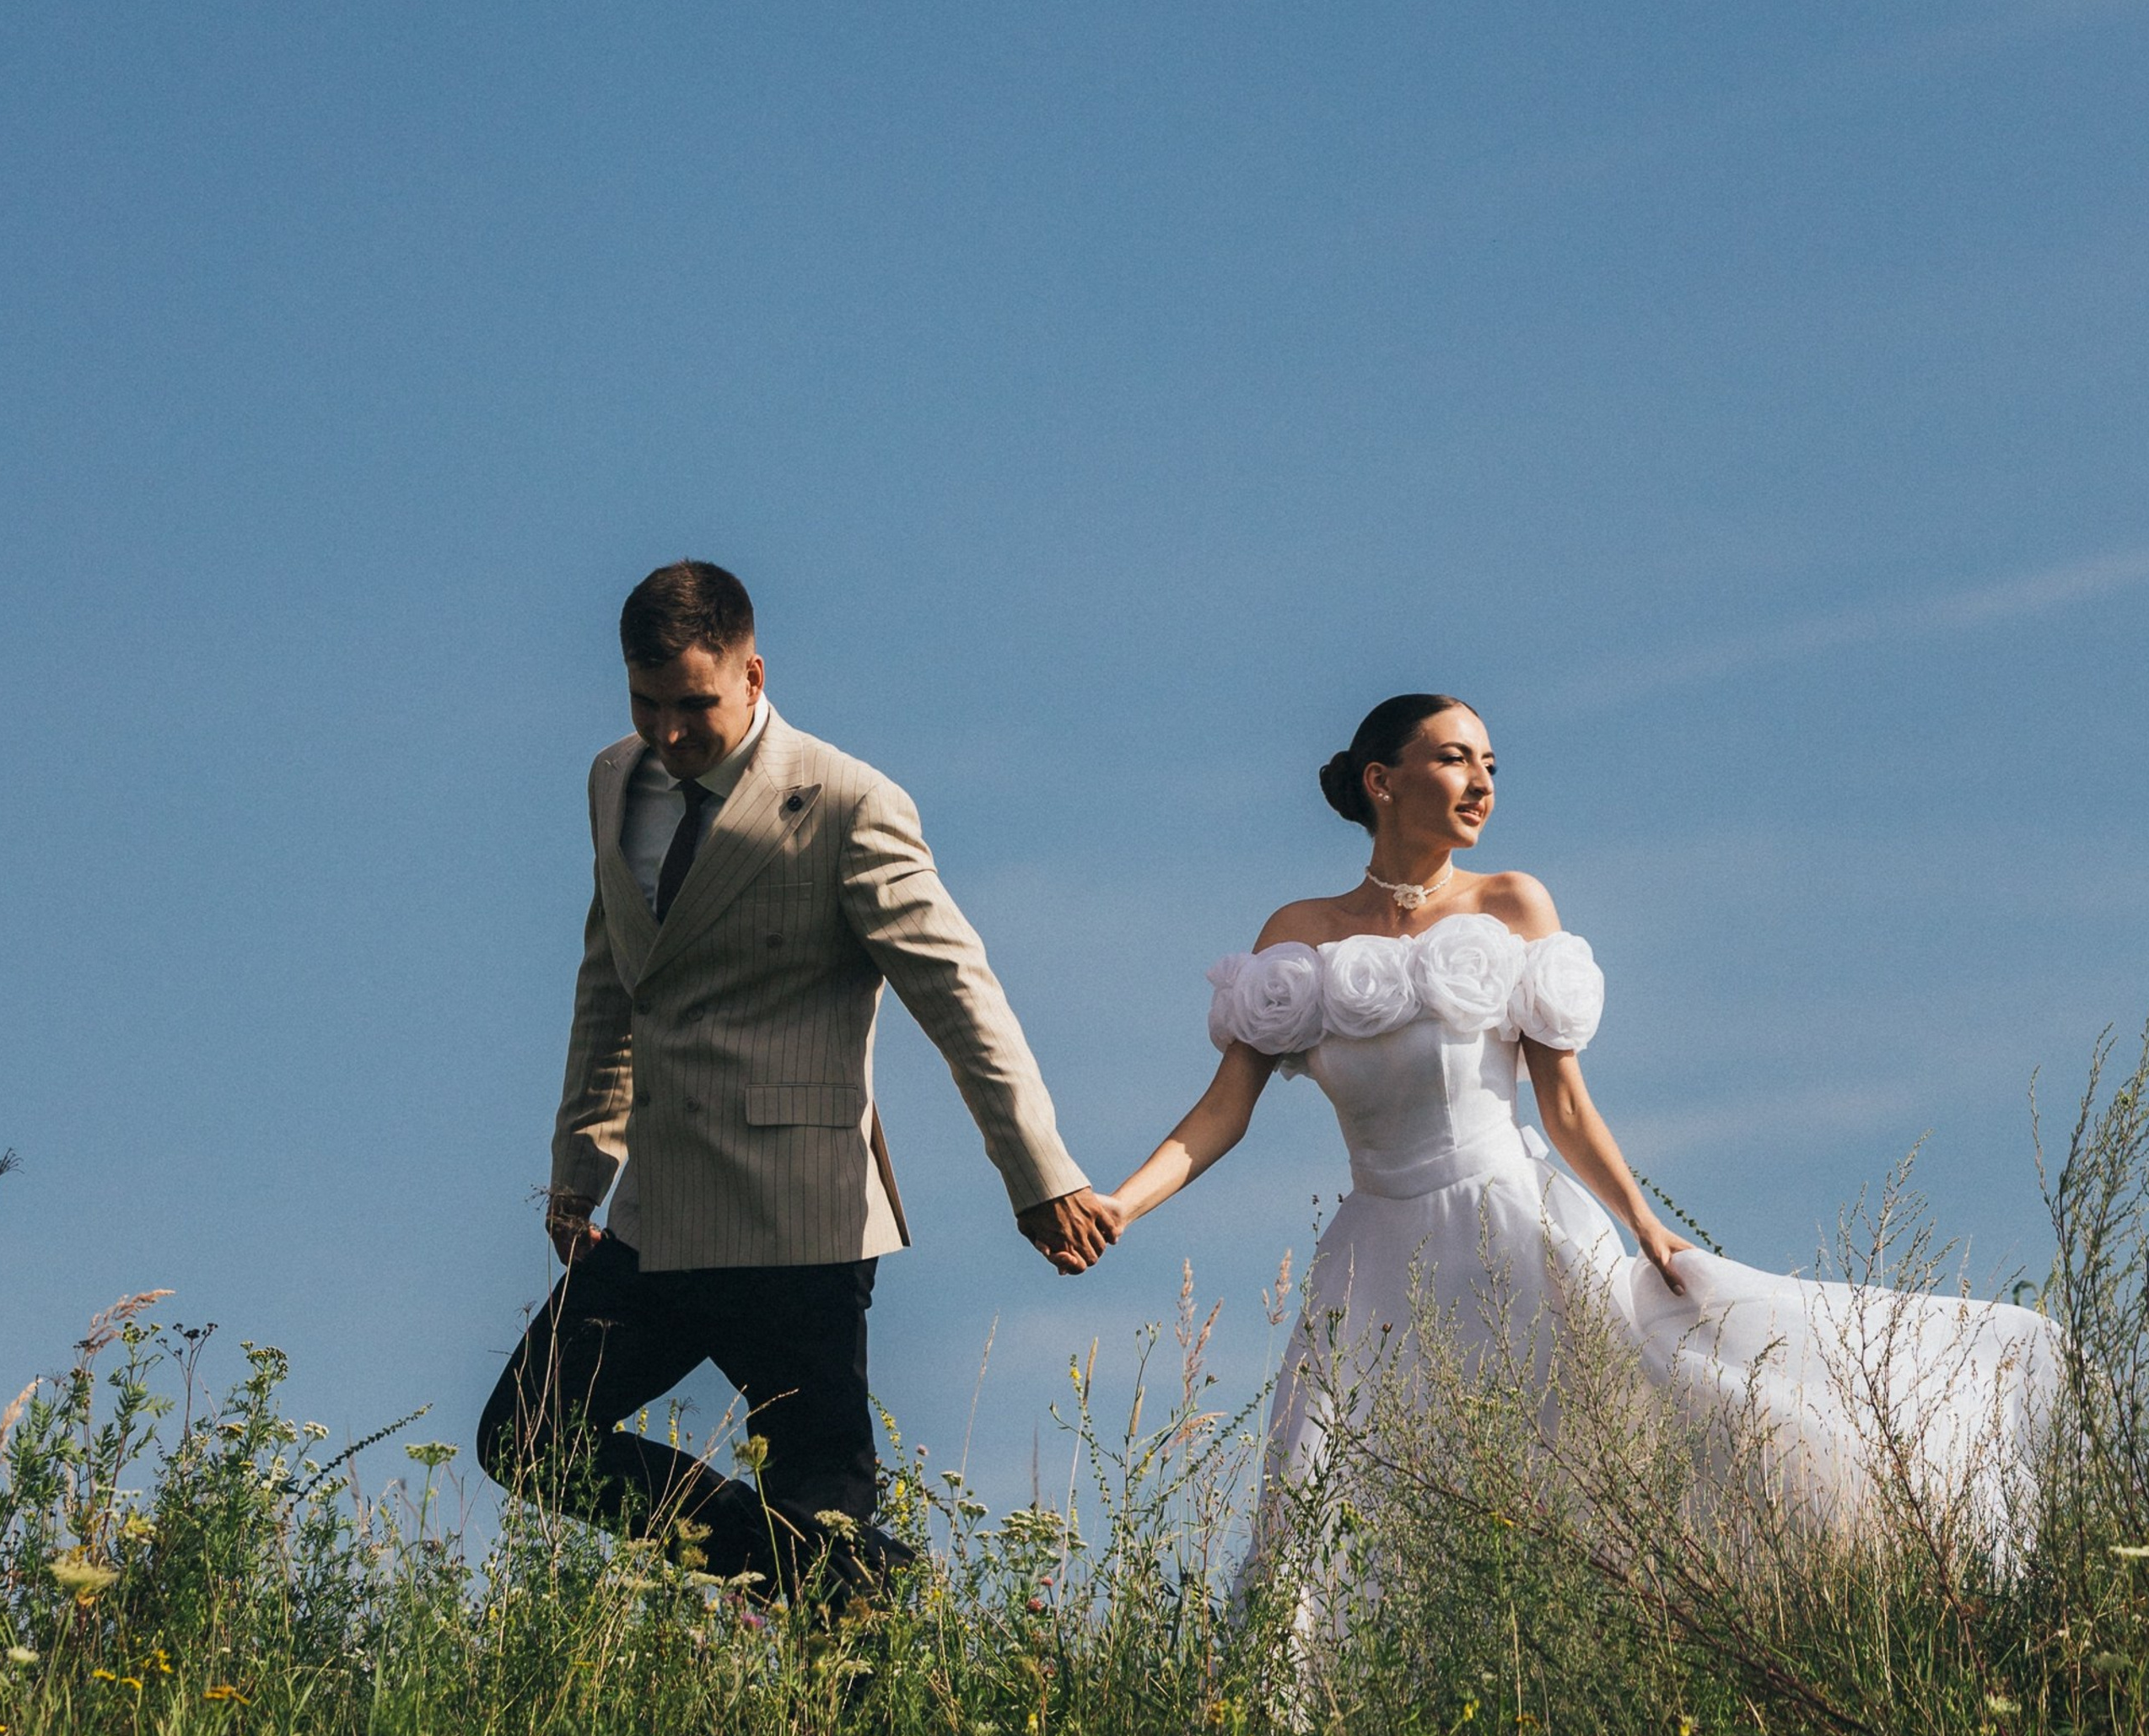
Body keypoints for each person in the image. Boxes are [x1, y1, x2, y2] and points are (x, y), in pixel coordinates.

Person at [1095, 692, 2058, 1613]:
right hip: (1371, 1261)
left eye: (1490, 764)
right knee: (1328, 1479)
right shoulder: (1296, 935)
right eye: (1454, 758)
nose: (1481, 782)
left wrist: (1644, 1227)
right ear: (1380, 782)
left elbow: (1563, 1106)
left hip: (1514, 1231)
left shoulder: (1511, 902)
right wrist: (1117, 1208)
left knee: (1607, 1449)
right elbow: (1221, 1111)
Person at [479, 558, 1115, 1598]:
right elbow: (612, 977)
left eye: (694, 705)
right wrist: (579, 1165)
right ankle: (843, 1575)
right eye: (646, 704)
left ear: (754, 672)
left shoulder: (849, 803)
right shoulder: (613, 779)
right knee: (526, 1437)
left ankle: (854, 1680)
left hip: (798, 1224)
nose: (668, 732)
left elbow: (961, 1000)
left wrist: (1038, 1172)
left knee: (820, 1489)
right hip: (653, 1213)